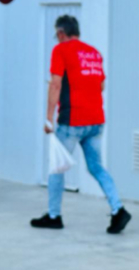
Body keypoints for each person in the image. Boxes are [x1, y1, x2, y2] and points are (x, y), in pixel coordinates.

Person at [31, 15, 132, 234]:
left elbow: (56, 85)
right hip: (96, 121)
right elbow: (101, 84)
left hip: (72, 121)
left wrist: (49, 118)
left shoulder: (61, 51)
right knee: (96, 167)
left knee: (57, 168)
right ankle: (118, 209)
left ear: (60, 33)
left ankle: (54, 215)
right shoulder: (93, 53)